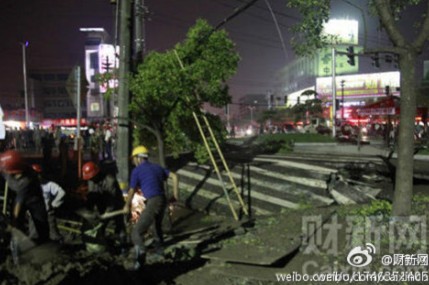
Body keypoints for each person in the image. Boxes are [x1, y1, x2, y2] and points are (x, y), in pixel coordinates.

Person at [123, 145, 179, 269]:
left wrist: (127, 206)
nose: (133, 162)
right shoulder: (157, 167)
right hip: (162, 200)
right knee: (156, 226)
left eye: (133, 159)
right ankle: (160, 252)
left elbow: (131, 191)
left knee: (136, 232)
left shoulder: (136, 171)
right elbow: (175, 176)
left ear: (138, 158)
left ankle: (140, 259)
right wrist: (175, 196)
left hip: (153, 201)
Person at [0, 150, 49, 243]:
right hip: (14, 194)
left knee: (40, 223)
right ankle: (17, 242)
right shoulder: (4, 163)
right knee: (18, 226)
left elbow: (19, 202)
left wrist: (14, 222)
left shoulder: (27, 179)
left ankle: (43, 245)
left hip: (33, 198)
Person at [82, 161, 126, 248]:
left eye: (92, 178)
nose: (91, 180)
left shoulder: (110, 181)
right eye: (90, 179)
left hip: (116, 205)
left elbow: (112, 201)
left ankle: (122, 245)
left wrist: (107, 214)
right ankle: (101, 244)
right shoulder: (91, 181)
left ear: (97, 174)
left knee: (119, 225)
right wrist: (88, 213)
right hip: (102, 203)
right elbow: (92, 197)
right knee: (100, 226)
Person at [32, 164, 66, 242]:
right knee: (34, 237)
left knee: (54, 235)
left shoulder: (48, 185)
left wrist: (54, 204)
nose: (38, 176)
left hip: (47, 214)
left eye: (39, 174)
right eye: (36, 174)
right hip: (35, 216)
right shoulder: (29, 186)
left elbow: (61, 192)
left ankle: (58, 249)